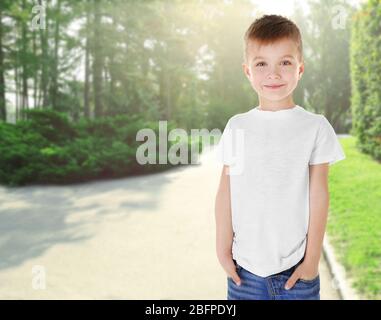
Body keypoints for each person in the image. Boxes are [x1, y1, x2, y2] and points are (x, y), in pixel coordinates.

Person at [214, 14, 346, 300]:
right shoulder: (237, 125)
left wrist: (311, 262)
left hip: (297, 273)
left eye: (285, 63)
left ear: (300, 69)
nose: (273, 74)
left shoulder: (315, 127)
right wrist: (222, 250)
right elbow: (226, 190)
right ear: (247, 71)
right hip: (244, 274)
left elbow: (319, 194)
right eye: (261, 64)